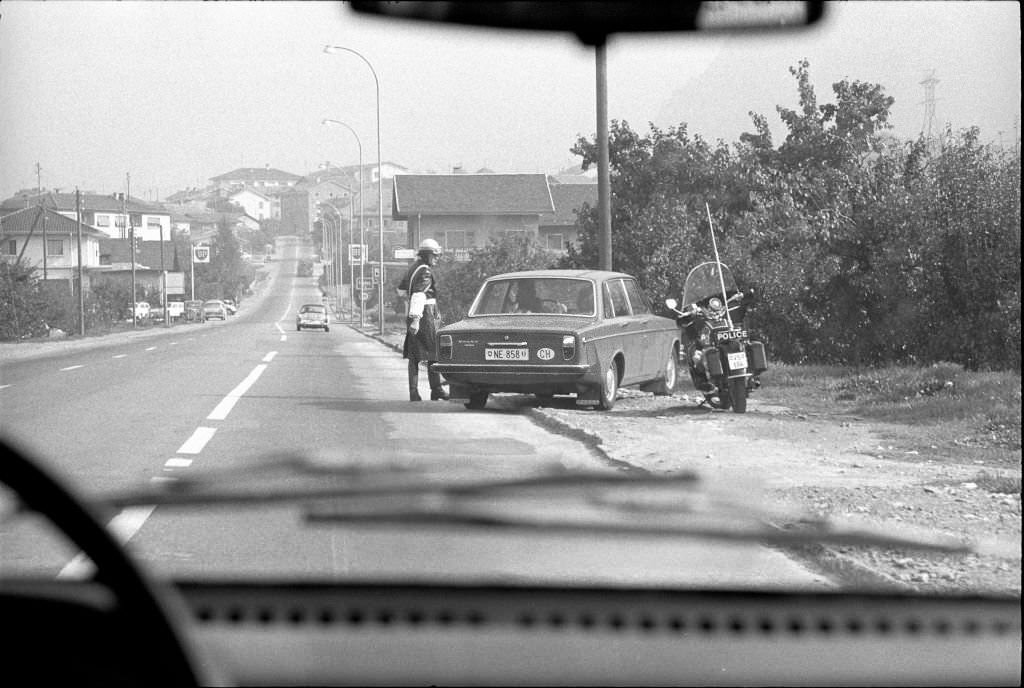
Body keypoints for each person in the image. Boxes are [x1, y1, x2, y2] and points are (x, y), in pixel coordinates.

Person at [399, 238, 448, 401]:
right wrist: (416, 319)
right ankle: (436, 389)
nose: (437, 258)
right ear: (427, 255)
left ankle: (414, 392)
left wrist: (411, 311)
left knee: (414, 356)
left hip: (415, 313)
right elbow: (419, 294)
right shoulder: (425, 271)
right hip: (425, 315)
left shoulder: (413, 267)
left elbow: (401, 290)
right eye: (435, 255)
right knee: (433, 354)